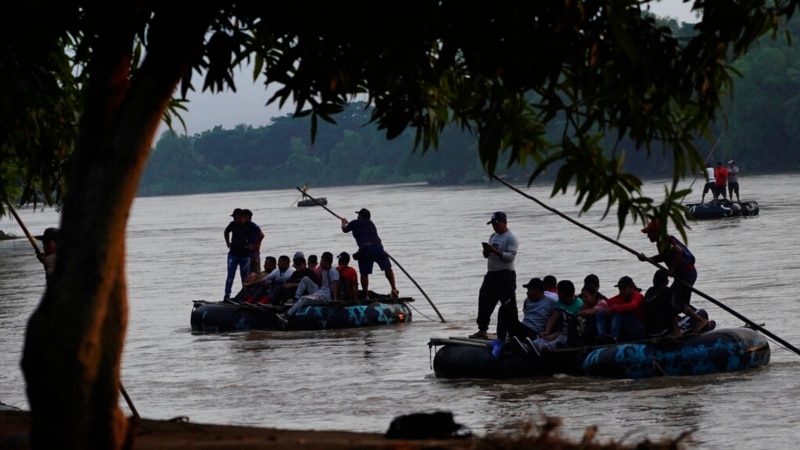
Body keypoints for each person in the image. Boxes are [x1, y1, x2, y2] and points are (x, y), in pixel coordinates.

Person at [638, 220, 709, 334]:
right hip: (682, 274)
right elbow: (663, 256)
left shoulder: (666, 239)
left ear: (656, 232)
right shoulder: (660, 242)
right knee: (673, 303)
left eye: (649, 233)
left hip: (686, 273)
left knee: (674, 301)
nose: (648, 236)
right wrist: (648, 259)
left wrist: (672, 269)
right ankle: (677, 331)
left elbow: (678, 251)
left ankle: (700, 320)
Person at [469, 211, 518, 340]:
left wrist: (495, 251)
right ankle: (482, 329)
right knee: (484, 300)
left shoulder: (511, 237)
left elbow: (510, 257)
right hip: (491, 274)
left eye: (496, 224)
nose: (494, 227)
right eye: (493, 224)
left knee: (508, 304)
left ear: (504, 223)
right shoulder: (493, 236)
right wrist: (486, 251)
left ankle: (513, 332)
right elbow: (487, 256)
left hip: (506, 275)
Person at [341, 208, 398, 298]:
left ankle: (366, 295)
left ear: (361, 216)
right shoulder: (371, 224)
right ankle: (394, 289)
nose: (357, 216)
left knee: (364, 273)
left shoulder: (355, 222)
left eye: (359, 215)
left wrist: (343, 222)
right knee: (388, 268)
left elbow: (344, 230)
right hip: (378, 248)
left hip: (365, 249)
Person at [279, 251, 339, 321]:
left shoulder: (332, 271)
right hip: (321, 292)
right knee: (305, 279)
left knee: (303, 298)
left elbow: (334, 284)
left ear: (327, 262)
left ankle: (287, 315)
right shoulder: (324, 271)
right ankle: (296, 298)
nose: (319, 263)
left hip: (326, 296)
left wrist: (334, 300)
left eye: (322, 261)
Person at [502, 278, 556, 350]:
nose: (527, 293)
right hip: (524, 328)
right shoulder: (527, 300)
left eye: (530, 290)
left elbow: (554, 318)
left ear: (538, 291)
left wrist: (548, 332)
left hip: (535, 332)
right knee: (504, 308)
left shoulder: (550, 302)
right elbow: (526, 314)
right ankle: (501, 339)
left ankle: (522, 343)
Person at [530, 280, 583, 353]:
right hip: (561, 331)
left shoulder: (579, 306)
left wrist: (555, 335)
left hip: (571, 334)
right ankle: (531, 346)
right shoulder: (560, 302)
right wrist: (547, 331)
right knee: (539, 341)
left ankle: (542, 350)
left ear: (563, 293)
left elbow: (575, 329)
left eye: (558, 291)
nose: (557, 293)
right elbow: (553, 318)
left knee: (555, 341)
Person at [223, 208, 259, 301]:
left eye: (236, 217)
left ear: (242, 217)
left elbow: (260, 235)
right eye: (234, 217)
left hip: (245, 255)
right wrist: (227, 243)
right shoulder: (233, 224)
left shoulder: (250, 225)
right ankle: (227, 295)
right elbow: (226, 232)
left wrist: (254, 246)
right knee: (230, 275)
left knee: (244, 277)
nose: (235, 219)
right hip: (233, 254)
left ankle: (245, 295)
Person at [596, 276, 646, 342]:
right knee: (600, 314)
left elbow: (633, 306)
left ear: (631, 287)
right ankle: (602, 336)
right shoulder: (623, 297)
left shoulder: (637, 295)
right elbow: (608, 303)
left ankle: (614, 337)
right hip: (627, 328)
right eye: (620, 288)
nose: (621, 291)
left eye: (623, 288)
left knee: (619, 312)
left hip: (638, 328)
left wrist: (614, 308)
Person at [642, 269, 677, 338]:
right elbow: (673, 311)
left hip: (650, 332)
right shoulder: (668, 291)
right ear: (667, 282)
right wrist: (676, 330)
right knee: (701, 312)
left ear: (653, 281)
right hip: (664, 332)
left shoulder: (649, 292)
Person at [242, 209, 265, 274]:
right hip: (246, 255)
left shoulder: (253, 226)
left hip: (253, 254)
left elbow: (261, 236)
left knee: (255, 273)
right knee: (247, 275)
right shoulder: (244, 227)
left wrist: (255, 250)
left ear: (247, 217)